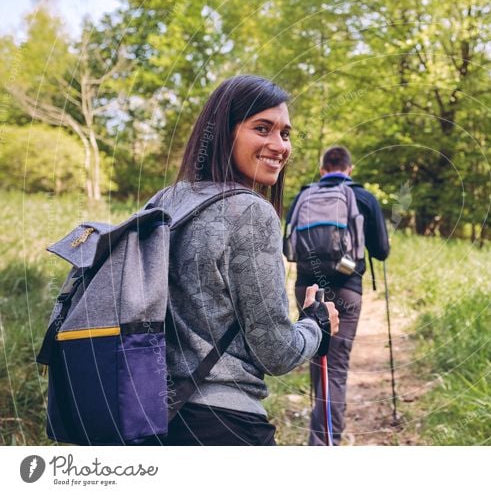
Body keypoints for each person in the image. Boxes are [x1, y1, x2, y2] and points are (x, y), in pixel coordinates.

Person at [147, 74, 339, 445]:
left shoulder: (165, 201)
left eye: (285, 133)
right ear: (223, 132)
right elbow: (278, 353)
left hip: (149, 417)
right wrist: (317, 325)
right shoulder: (250, 211)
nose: (279, 145)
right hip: (223, 425)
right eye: (262, 128)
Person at [285, 145, 390, 446]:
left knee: (318, 358)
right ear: (349, 169)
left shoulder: (304, 195)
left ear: (322, 170)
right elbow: (381, 252)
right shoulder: (363, 196)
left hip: (308, 289)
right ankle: (324, 443)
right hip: (346, 287)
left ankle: (318, 438)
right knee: (338, 366)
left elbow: (289, 245)